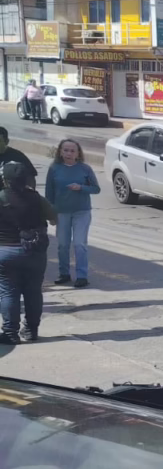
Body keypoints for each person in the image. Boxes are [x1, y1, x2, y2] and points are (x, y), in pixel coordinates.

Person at [0, 161, 55, 344]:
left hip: (6, 251)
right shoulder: (37, 198)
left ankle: (10, 333)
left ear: (5, 180)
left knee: (9, 293)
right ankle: (31, 330)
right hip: (34, 252)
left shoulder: (1, 197)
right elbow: (54, 218)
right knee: (33, 292)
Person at [44, 139, 99, 288]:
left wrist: (81, 187)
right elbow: (49, 193)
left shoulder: (85, 169)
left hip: (82, 212)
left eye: (72, 151)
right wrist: (51, 214)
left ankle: (82, 276)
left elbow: (96, 188)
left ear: (78, 153)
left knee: (80, 244)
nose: (68, 153)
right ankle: (64, 273)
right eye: (65, 150)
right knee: (62, 245)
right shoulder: (54, 168)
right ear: (60, 152)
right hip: (62, 213)